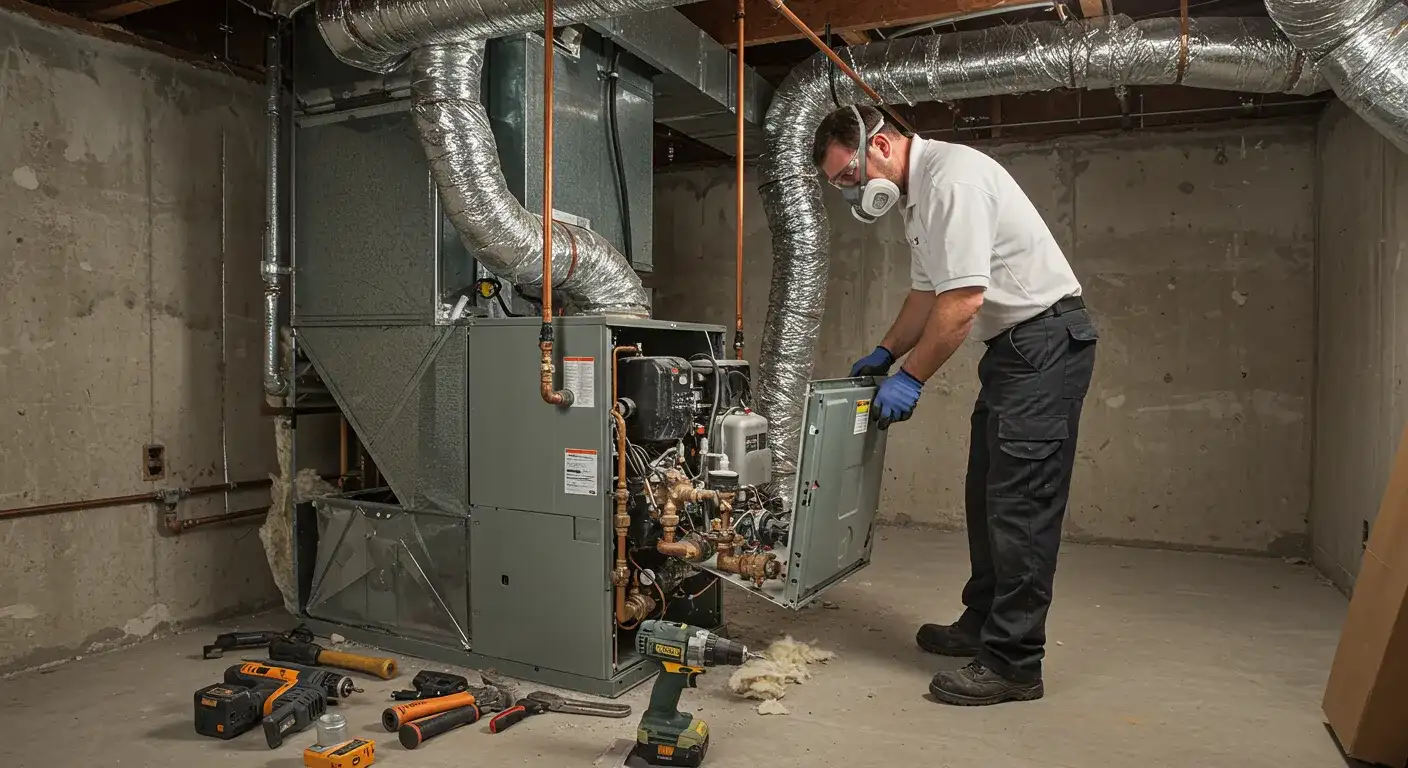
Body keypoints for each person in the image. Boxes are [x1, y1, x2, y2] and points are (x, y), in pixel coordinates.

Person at [813, 104, 1099, 706]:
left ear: (881, 145)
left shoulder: (953, 181)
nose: (849, 192)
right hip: (1016, 351)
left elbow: (964, 301)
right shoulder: (922, 197)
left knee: (1020, 506)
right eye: (838, 185)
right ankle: (983, 624)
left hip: (1045, 343)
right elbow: (927, 292)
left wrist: (911, 377)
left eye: (847, 177)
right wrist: (885, 352)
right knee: (988, 493)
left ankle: (1014, 663)